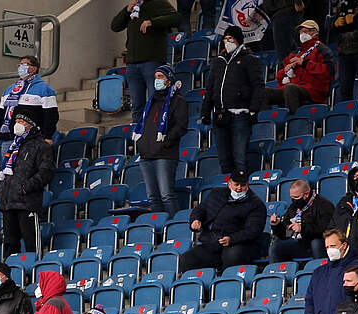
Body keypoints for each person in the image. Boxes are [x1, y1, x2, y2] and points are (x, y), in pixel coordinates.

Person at [203, 26, 264, 176]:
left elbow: (258, 86)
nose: (227, 41)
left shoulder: (249, 59)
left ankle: (242, 189)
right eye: (225, 39)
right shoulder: (218, 61)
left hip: (240, 115)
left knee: (239, 158)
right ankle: (227, 191)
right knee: (224, 159)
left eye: (230, 39)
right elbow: (210, 88)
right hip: (220, 116)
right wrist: (205, 111)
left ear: (238, 40)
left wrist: (254, 110)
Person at [178, 171, 268, 272]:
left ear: (248, 184)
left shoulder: (256, 204)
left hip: (240, 244)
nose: (239, 188)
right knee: (187, 259)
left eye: (243, 185)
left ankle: (225, 283)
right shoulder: (216, 193)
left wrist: (231, 239)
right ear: (229, 184)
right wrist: (195, 220)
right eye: (236, 184)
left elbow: (253, 230)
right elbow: (200, 209)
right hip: (212, 242)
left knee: (232, 256)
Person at [0, 113, 55, 256]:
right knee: (10, 247)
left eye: (22, 121)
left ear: (31, 125)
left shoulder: (41, 146)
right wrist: (1, 189)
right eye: (16, 120)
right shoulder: (13, 146)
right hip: (8, 203)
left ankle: (34, 275)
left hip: (27, 203)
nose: (18, 123)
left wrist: (26, 187)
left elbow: (46, 172)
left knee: (32, 245)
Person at [111, 0, 182, 119]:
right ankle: (137, 135)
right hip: (132, 65)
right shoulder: (132, 8)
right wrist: (126, 11)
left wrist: (152, 22)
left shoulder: (157, 3)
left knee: (156, 102)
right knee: (137, 106)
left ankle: (155, 133)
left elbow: (176, 18)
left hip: (152, 62)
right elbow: (115, 26)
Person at [133, 65, 189, 215]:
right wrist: (142, 145)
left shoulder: (178, 101)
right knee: (153, 198)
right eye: (156, 77)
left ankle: (174, 227)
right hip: (146, 156)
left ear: (169, 80)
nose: (157, 80)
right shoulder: (150, 102)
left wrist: (165, 143)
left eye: (160, 77)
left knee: (166, 196)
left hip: (165, 155)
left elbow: (181, 127)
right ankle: (159, 231)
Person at [265, 20, 334, 112]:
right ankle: (268, 122)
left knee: (290, 89)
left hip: (314, 89)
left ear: (315, 32)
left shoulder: (323, 50)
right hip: (294, 87)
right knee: (263, 93)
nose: (302, 34)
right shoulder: (295, 52)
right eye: (301, 32)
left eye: (305, 31)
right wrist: (285, 71)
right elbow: (279, 78)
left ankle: (295, 122)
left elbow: (328, 73)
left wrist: (305, 63)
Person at [0, 55, 59, 144]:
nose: (21, 67)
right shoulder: (9, 89)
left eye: (25, 64)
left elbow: (51, 115)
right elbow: (0, 112)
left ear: (34, 68)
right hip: (9, 139)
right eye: (20, 65)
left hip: (32, 140)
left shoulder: (44, 88)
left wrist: (47, 136)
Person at [269, 180, 335, 263]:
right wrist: (277, 225)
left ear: (306, 194)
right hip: (301, 244)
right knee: (275, 248)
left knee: (316, 243)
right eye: (292, 197)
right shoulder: (293, 207)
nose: (294, 200)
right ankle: (276, 274)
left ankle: (321, 270)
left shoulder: (324, 205)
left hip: (320, 244)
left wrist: (302, 228)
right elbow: (285, 234)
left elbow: (327, 229)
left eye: (296, 197)